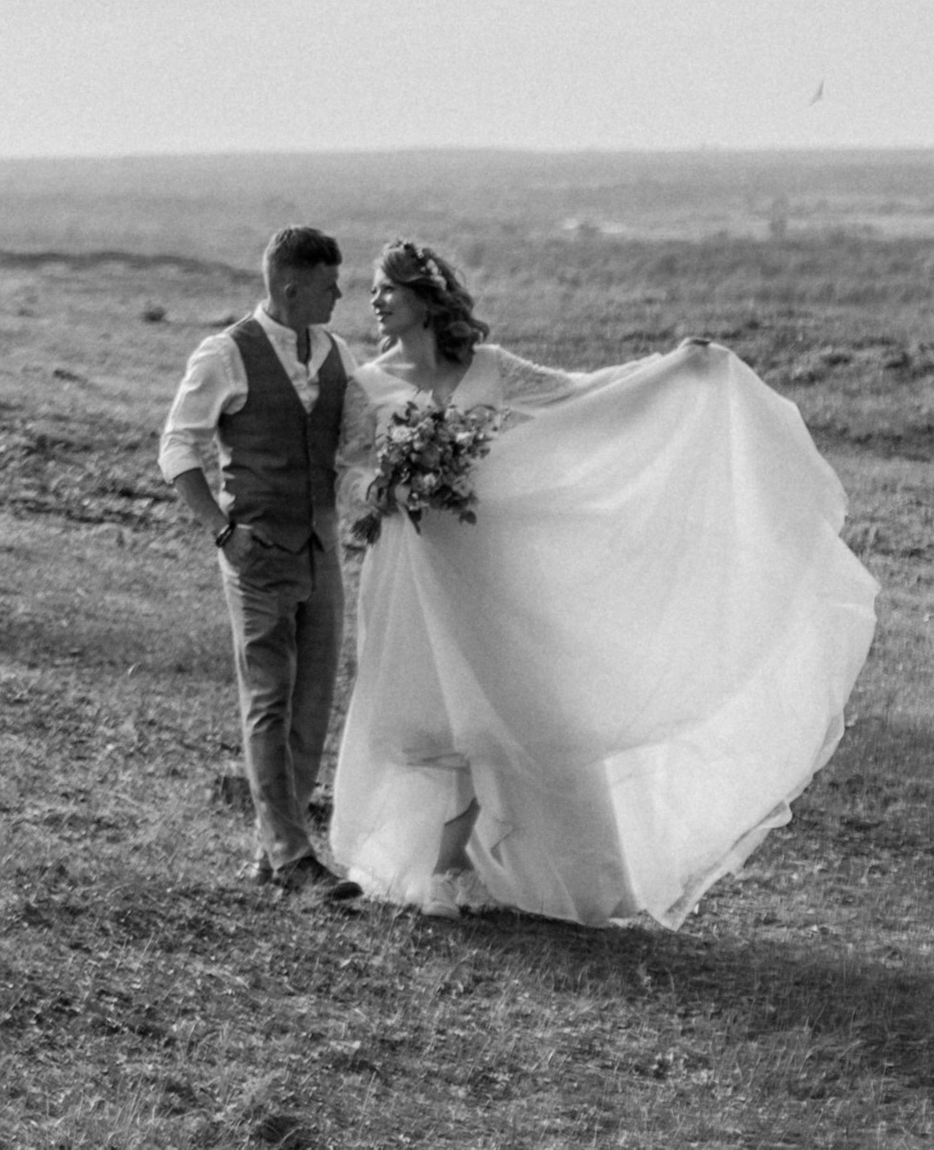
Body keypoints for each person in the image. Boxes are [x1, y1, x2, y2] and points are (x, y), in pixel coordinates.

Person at [329, 235, 879, 929]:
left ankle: (466, 865)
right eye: (373, 291)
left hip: (488, 565)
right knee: (430, 718)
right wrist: (387, 487)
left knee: (501, 711)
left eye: (387, 289)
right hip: (411, 572)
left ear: (426, 298)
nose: (375, 301)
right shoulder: (368, 385)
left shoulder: (491, 368)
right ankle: (434, 864)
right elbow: (346, 473)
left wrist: (674, 370)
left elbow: (582, 394)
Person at [158, 221, 379, 897]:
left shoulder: (337, 353)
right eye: (328, 284)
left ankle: (274, 851)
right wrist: (223, 532)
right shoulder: (225, 354)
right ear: (290, 287)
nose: (339, 295)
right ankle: (291, 857)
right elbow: (177, 448)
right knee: (268, 700)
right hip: (256, 550)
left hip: (320, 548)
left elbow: (354, 446)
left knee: (313, 703)